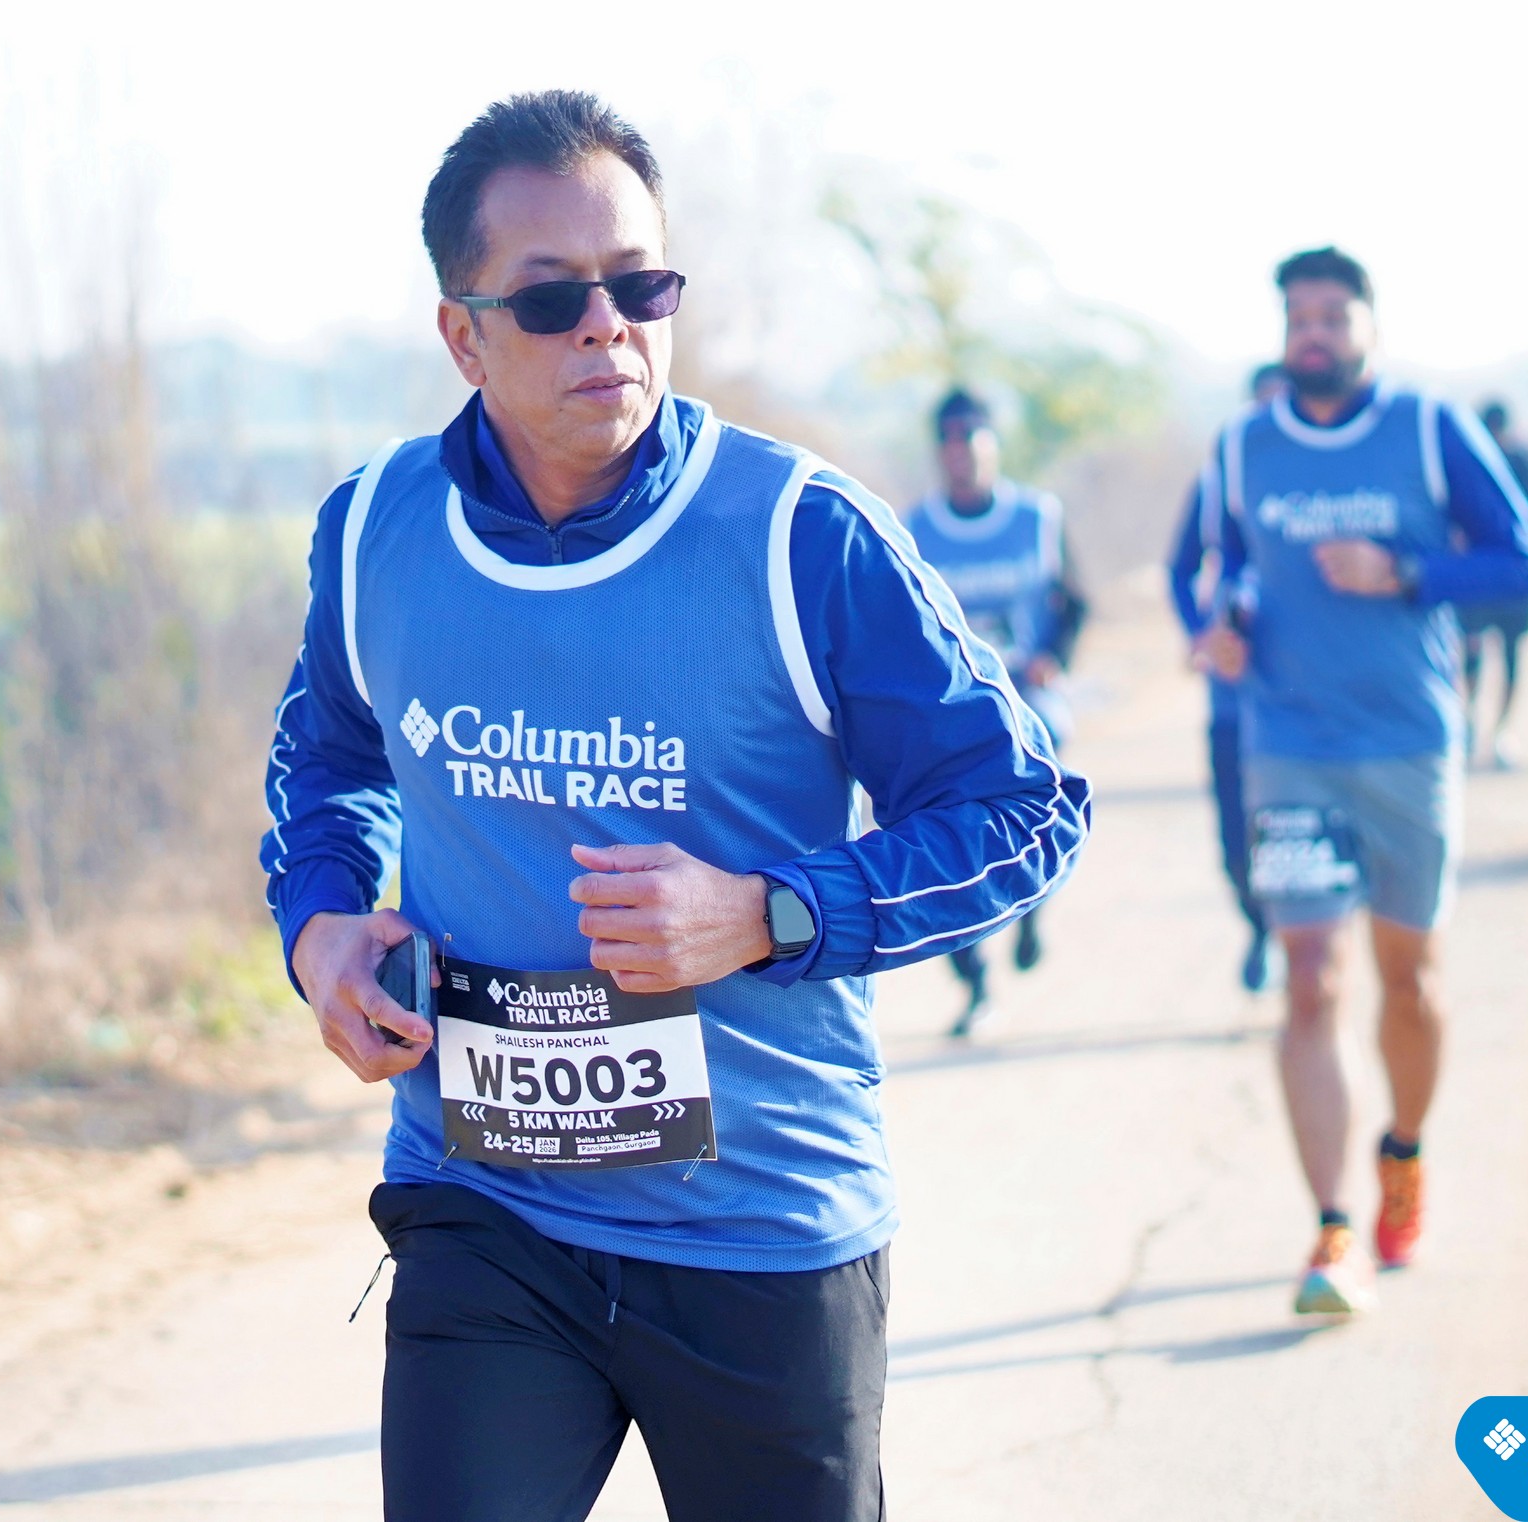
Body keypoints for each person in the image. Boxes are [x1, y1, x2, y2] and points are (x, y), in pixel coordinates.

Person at [260, 92, 1090, 1522]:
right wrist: (320, 925)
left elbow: (1022, 812)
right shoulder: (374, 530)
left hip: (760, 1233)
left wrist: (766, 913)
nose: (607, 326)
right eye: (552, 299)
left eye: (640, 286)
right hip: (489, 1209)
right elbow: (330, 757)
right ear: (461, 335)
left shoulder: (800, 536)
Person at [1191, 248, 1528, 1316]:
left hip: (1407, 742)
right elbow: (1221, 571)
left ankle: (1403, 1152)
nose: (1313, 333)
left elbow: (1524, 563)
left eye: (1332, 316)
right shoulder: (1243, 446)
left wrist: (1407, 572)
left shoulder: (1431, 430)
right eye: (1298, 317)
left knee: (1410, 978)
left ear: (1368, 328)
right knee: (1310, 977)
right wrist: (1220, 628)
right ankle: (1332, 1228)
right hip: (1287, 745)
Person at [904, 389, 1088, 1036]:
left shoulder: (1036, 517)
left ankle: (1033, 906)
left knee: (1035, 822)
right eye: (948, 443)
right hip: (951, 715)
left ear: (993, 446)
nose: (960, 454)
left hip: (1029, 709)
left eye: (971, 441)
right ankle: (975, 982)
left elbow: (1075, 601)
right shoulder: (914, 529)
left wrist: (1053, 656)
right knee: (941, 846)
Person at [1167, 363, 1288, 992]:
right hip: (1233, 704)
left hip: (1308, 705)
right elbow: (1180, 568)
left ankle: (1305, 949)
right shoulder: (1220, 479)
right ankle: (1260, 928)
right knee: (1237, 842)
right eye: (1261, 409)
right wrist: (1201, 633)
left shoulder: (1329, 483)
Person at [1457, 398, 1528, 768]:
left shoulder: (1467, 462)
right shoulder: (1520, 463)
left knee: (1475, 651)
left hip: (1479, 578)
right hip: (1508, 580)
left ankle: (1476, 725)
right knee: (1506, 655)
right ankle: (1494, 732)